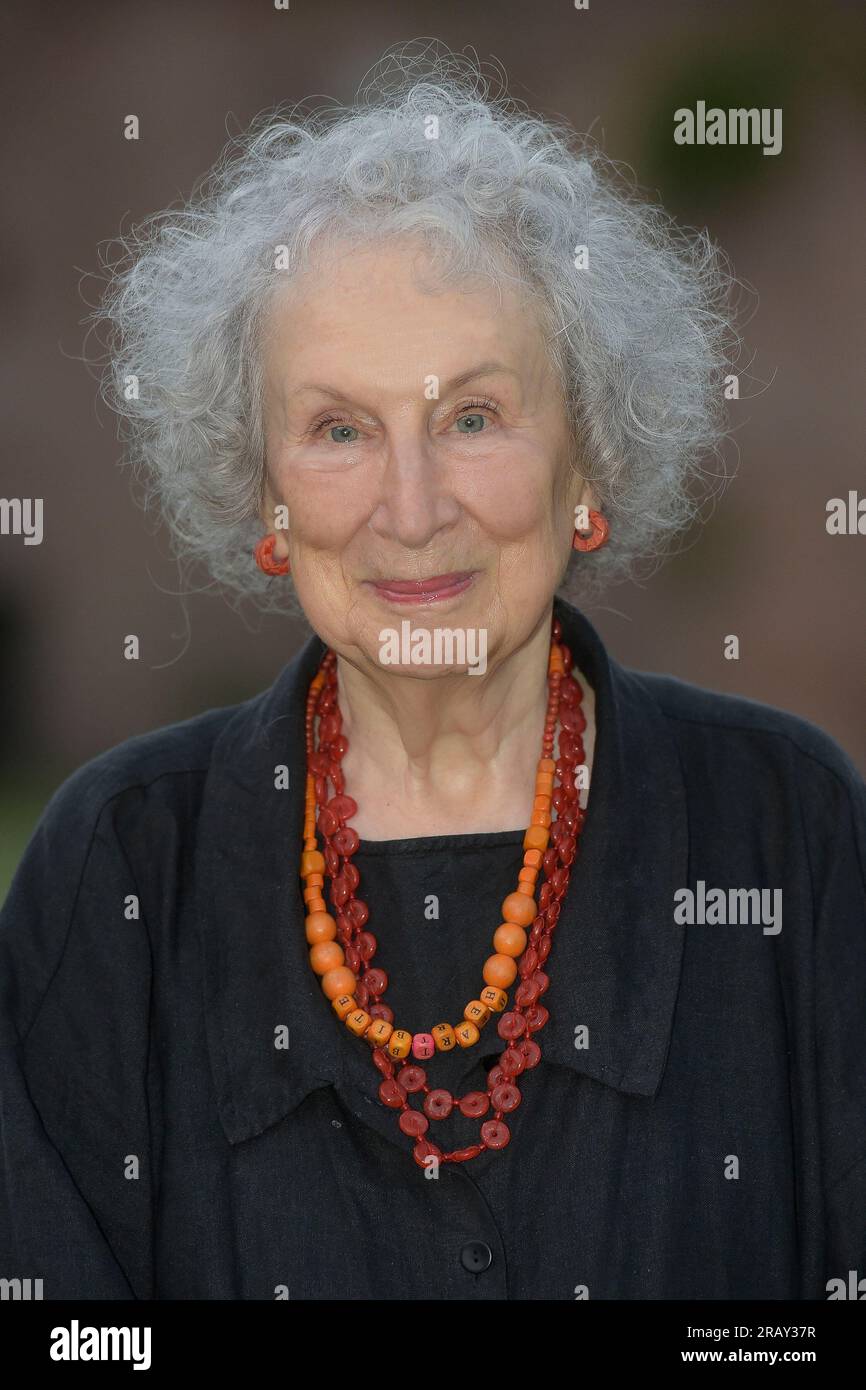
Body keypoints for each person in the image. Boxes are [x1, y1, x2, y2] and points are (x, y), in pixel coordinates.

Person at [1, 46, 864, 1300]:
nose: (410, 510)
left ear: (586, 468)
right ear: (266, 495)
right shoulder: (120, 866)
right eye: (339, 429)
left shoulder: (785, 828)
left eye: (472, 417)